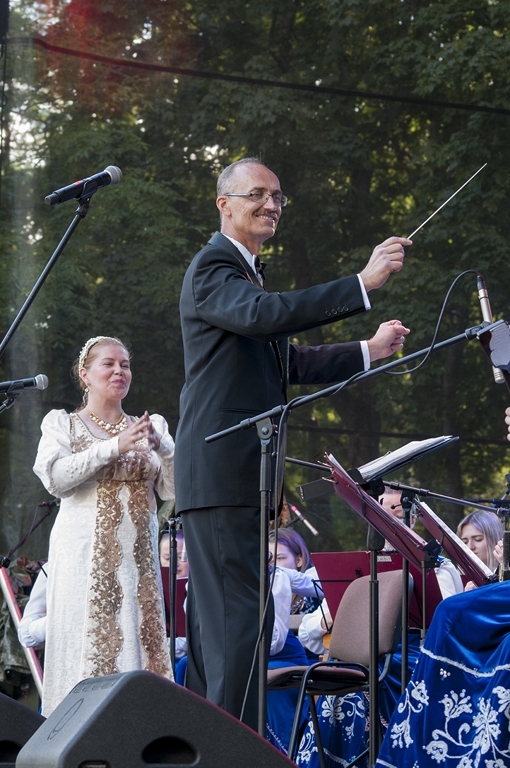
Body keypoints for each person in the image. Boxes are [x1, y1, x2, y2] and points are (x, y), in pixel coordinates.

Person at [175, 156, 412, 729]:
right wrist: (362, 283)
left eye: (278, 196)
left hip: (236, 478)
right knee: (236, 625)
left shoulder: (247, 277)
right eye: (257, 193)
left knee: (226, 626)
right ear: (224, 204)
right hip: (225, 471)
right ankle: (232, 751)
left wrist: (368, 350)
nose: (271, 204)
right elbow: (267, 316)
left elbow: (288, 360)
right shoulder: (214, 267)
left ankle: (211, 745)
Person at [33, 335, 175, 716]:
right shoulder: (64, 424)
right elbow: (56, 479)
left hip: (138, 563)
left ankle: (140, 731)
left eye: (125, 364)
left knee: (139, 644)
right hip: (83, 560)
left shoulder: (150, 425)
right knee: (87, 644)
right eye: (108, 364)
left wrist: (163, 446)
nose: (119, 371)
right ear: (85, 374)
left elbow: (176, 489)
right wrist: (113, 446)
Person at [457, 509, 503, 589]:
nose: (470, 547)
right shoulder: (458, 578)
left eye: (478, 539)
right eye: (465, 542)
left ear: (495, 539)